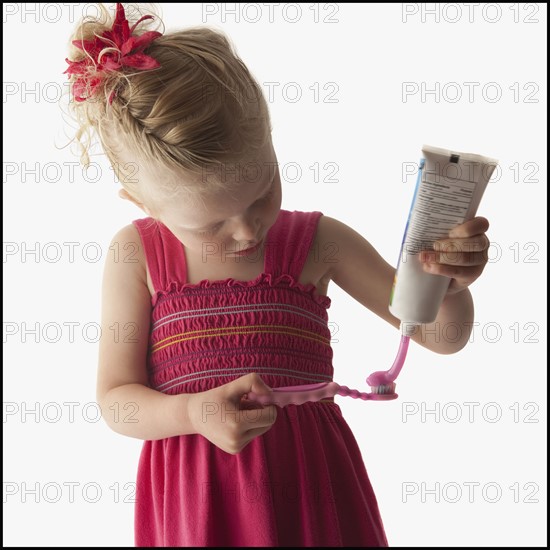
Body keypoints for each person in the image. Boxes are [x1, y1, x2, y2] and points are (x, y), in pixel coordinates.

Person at [65, 4, 491, 547]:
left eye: (264, 189)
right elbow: (116, 402)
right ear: (140, 201)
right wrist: (193, 412)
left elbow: (441, 336)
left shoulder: (319, 242)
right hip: (199, 506)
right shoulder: (135, 255)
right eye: (214, 223)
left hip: (312, 493)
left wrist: (448, 288)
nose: (248, 230)